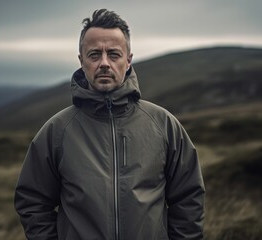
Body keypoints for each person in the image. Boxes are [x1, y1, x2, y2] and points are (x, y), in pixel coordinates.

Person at [14, 9, 205, 240]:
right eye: (95, 54)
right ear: (81, 60)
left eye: (113, 54)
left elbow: (188, 197)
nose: (104, 63)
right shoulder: (57, 131)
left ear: (128, 60)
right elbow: (32, 200)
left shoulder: (164, 125)